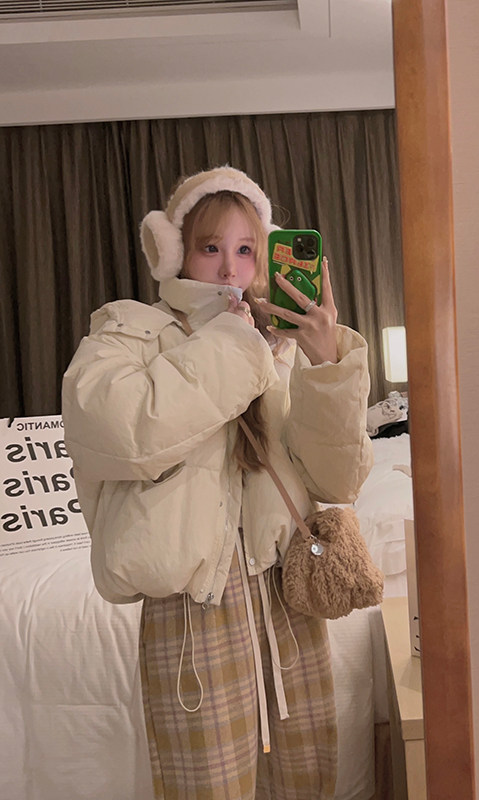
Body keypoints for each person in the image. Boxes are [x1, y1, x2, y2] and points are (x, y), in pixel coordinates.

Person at [62, 166, 373, 800]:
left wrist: (326, 365)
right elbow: (119, 430)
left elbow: (336, 477)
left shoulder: (281, 346)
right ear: (174, 251)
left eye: (246, 249)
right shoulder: (130, 332)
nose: (230, 268)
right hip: (192, 604)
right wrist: (235, 340)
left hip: (288, 594)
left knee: (305, 780)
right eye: (211, 247)